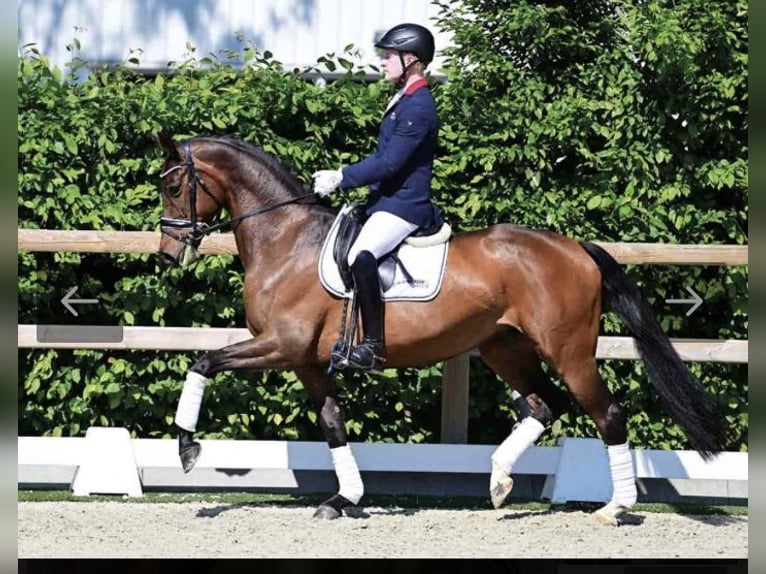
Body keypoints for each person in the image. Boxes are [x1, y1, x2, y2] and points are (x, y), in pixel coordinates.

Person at [313, 22, 445, 371]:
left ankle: (373, 346)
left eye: (390, 55)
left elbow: (389, 163)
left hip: (404, 206)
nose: (384, 62)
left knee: (360, 255)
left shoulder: (418, 107)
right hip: (385, 201)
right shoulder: (404, 98)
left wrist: (342, 177)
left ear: (411, 59)